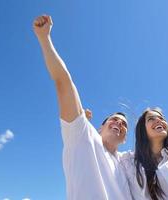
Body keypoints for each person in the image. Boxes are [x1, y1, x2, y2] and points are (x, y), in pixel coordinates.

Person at [33, 15, 132, 200]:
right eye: (113, 119)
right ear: (99, 127)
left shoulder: (127, 163)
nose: (119, 122)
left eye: (124, 124)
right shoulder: (82, 135)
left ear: (125, 138)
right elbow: (63, 82)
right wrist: (45, 39)